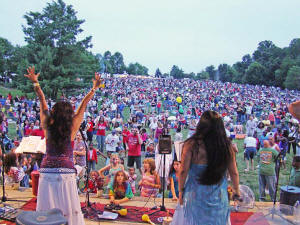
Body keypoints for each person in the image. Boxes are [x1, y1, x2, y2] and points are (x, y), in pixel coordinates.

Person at [25, 66, 102, 225]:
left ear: (54, 112)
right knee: (68, 209)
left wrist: (36, 84)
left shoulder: (47, 124)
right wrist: (94, 88)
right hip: (66, 171)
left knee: (46, 209)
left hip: (47, 171)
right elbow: (83, 105)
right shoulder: (73, 126)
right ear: (69, 113)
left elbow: (42, 101)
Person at [177, 110, 240, 225]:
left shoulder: (191, 145)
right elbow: (234, 172)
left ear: (201, 126)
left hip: (195, 196)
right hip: (219, 198)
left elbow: (183, 171)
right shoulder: (227, 146)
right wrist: (236, 191)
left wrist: (180, 191)